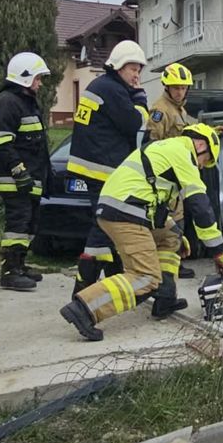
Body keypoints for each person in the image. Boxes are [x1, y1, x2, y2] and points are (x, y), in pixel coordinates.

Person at [59, 123, 223, 342]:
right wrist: (218, 251)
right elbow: (200, 206)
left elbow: (155, 205)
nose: (203, 167)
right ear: (200, 145)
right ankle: (85, 309)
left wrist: (176, 232)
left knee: (171, 236)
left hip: (123, 207)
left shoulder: (167, 148)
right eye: (206, 160)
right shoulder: (183, 154)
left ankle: (165, 297)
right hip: (126, 213)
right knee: (145, 277)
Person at [68, 40, 149, 295]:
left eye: (138, 70)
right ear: (118, 66)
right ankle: (83, 290)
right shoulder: (114, 90)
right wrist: (140, 97)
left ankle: (113, 279)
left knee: (107, 224)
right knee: (104, 226)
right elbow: (135, 122)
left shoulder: (99, 85)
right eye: (132, 69)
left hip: (91, 166)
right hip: (103, 169)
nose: (136, 75)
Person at [0, 52, 53, 291]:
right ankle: (9, 271)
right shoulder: (8, 102)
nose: (40, 83)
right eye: (37, 78)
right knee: (17, 224)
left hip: (29, 178)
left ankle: (20, 265)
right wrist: (19, 171)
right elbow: (0, 142)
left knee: (28, 224)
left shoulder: (25, 102)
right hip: (15, 179)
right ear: (24, 77)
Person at [147, 62, 198, 279]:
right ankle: (168, 264)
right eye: (176, 87)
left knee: (179, 217)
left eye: (183, 87)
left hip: (176, 174)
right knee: (170, 220)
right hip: (164, 175)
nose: (180, 91)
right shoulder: (160, 110)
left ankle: (175, 261)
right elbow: (151, 142)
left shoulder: (180, 109)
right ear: (167, 87)